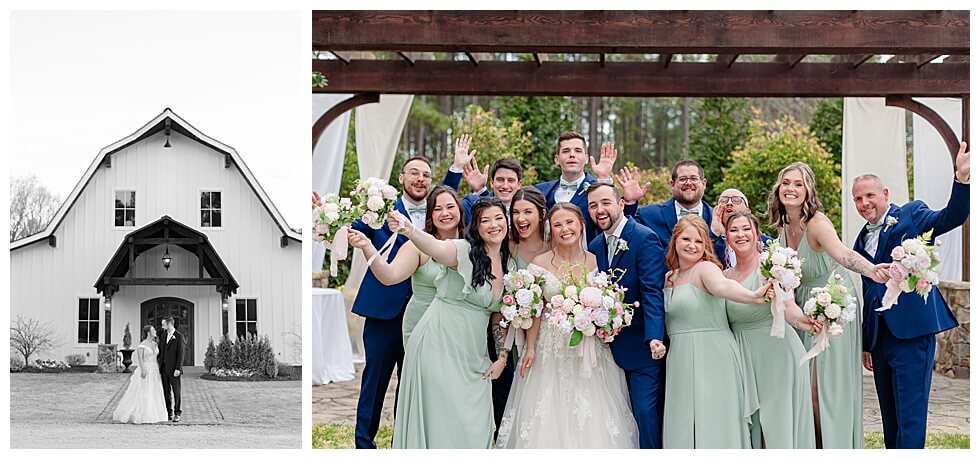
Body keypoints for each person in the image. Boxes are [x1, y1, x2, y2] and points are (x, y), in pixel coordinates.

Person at [347, 147, 470, 449]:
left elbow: (448, 203)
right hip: (383, 309)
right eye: (414, 172)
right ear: (400, 178)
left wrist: (456, 169)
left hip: (428, 314)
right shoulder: (378, 208)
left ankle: (405, 441)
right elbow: (352, 225)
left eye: (426, 175)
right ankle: (364, 444)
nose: (420, 179)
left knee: (414, 382)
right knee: (374, 381)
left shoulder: (435, 214)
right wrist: (324, 211)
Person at [851, 141, 970, 449]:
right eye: (858, 198)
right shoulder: (861, 239)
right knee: (889, 418)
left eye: (870, 195)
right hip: (881, 339)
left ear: (885, 195)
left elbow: (950, 217)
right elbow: (869, 292)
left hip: (912, 334)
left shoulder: (911, 215)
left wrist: (962, 180)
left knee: (911, 417)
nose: (864, 203)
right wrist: (867, 342)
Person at [767, 162, 889, 448]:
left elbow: (844, 254)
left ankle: (836, 445)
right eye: (786, 183)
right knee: (802, 384)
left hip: (832, 303)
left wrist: (871, 270)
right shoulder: (783, 225)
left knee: (824, 388)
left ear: (808, 189)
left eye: (798, 184)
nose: (791, 189)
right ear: (778, 188)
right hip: (800, 307)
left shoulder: (817, 223)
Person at [496, 202, 639, 448]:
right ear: (551, 229)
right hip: (549, 348)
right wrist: (530, 348)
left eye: (569, 222)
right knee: (549, 408)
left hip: (589, 348)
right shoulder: (539, 264)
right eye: (558, 224)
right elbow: (535, 310)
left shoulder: (597, 261)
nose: (565, 229)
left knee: (593, 409)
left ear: (581, 224)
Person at [390, 198, 510, 448]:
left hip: (473, 354)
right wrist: (408, 229)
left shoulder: (510, 264)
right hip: (437, 343)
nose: (493, 225)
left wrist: (502, 357)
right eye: (485, 220)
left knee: (474, 423)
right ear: (475, 227)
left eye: (498, 218)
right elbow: (435, 247)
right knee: (441, 420)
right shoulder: (462, 250)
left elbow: (499, 316)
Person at [661, 215, 770, 448]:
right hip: (679, 358)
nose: (692, 246)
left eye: (699, 242)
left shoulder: (706, 269)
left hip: (712, 354)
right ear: (675, 240)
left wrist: (751, 296)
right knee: (682, 420)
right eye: (686, 239)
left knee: (713, 419)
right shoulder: (669, 277)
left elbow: (723, 287)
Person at [722, 210, 819, 448]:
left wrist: (801, 321)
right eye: (733, 230)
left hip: (777, 354)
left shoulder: (772, 268)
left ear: (757, 234)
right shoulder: (723, 276)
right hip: (744, 357)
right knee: (753, 427)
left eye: (746, 229)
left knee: (777, 424)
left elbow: (787, 305)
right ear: (726, 238)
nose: (740, 234)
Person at [586, 182, 668, 448]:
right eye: (593, 205)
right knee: (619, 414)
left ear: (621, 204)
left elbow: (652, 291)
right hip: (608, 348)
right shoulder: (595, 245)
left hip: (643, 345)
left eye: (605, 203)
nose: (599, 210)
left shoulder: (644, 237)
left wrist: (655, 337)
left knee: (645, 411)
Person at [347, 185, 466, 345]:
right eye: (437, 209)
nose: (445, 213)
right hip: (424, 326)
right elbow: (389, 276)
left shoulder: (472, 244)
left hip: (461, 326)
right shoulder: (415, 246)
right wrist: (367, 247)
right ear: (430, 214)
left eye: (450, 207)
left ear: (460, 209)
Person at [619, 160, 720, 259]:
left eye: (693, 178)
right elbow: (624, 234)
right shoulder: (648, 215)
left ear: (704, 183)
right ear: (672, 184)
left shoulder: (717, 219)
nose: (688, 183)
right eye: (682, 179)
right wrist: (630, 203)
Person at [534, 132, 618, 243]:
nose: (572, 155)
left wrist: (604, 178)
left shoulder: (599, 187)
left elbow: (617, 222)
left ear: (586, 158)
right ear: (557, 159)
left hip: (589, 258)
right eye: (566, 151)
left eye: (578, 151)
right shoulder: (540, 191)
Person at [112, 325, 169, 424]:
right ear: (148, 332)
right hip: (146, 369)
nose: (155, 331)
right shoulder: (142, 345)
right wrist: (143, 370)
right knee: (144, 391)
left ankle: (155, 413)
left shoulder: (155, 344)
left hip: (155, 369)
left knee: (154, 390)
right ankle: (140, 413)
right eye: (153, 330)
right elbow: (140, 359)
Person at [710, 188, 773, 268]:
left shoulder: (769, 244)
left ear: (748, 211)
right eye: (723, 200)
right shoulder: (711, 242)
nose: (729, 203)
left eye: (736, 200)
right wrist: (715, 233)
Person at [461, 157, 523, 224]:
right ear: (492, 183)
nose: (505, 186)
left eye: (511, 180)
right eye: (500, 179)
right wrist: (456, 169)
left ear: (519, 184)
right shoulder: (471, 204)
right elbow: (450, 208)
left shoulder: (528, 208)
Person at [158, 317, 185, 422]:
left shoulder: (179, 336)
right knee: (166, 391)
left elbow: (181, 354)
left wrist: (178, 368)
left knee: (176, 391)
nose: (162, 327)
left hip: (174, 369)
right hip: (164, 369)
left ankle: (177, 412)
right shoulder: (163, 336)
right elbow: (161, 352)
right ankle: (169, 412)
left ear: (169, 325)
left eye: (163, 324)